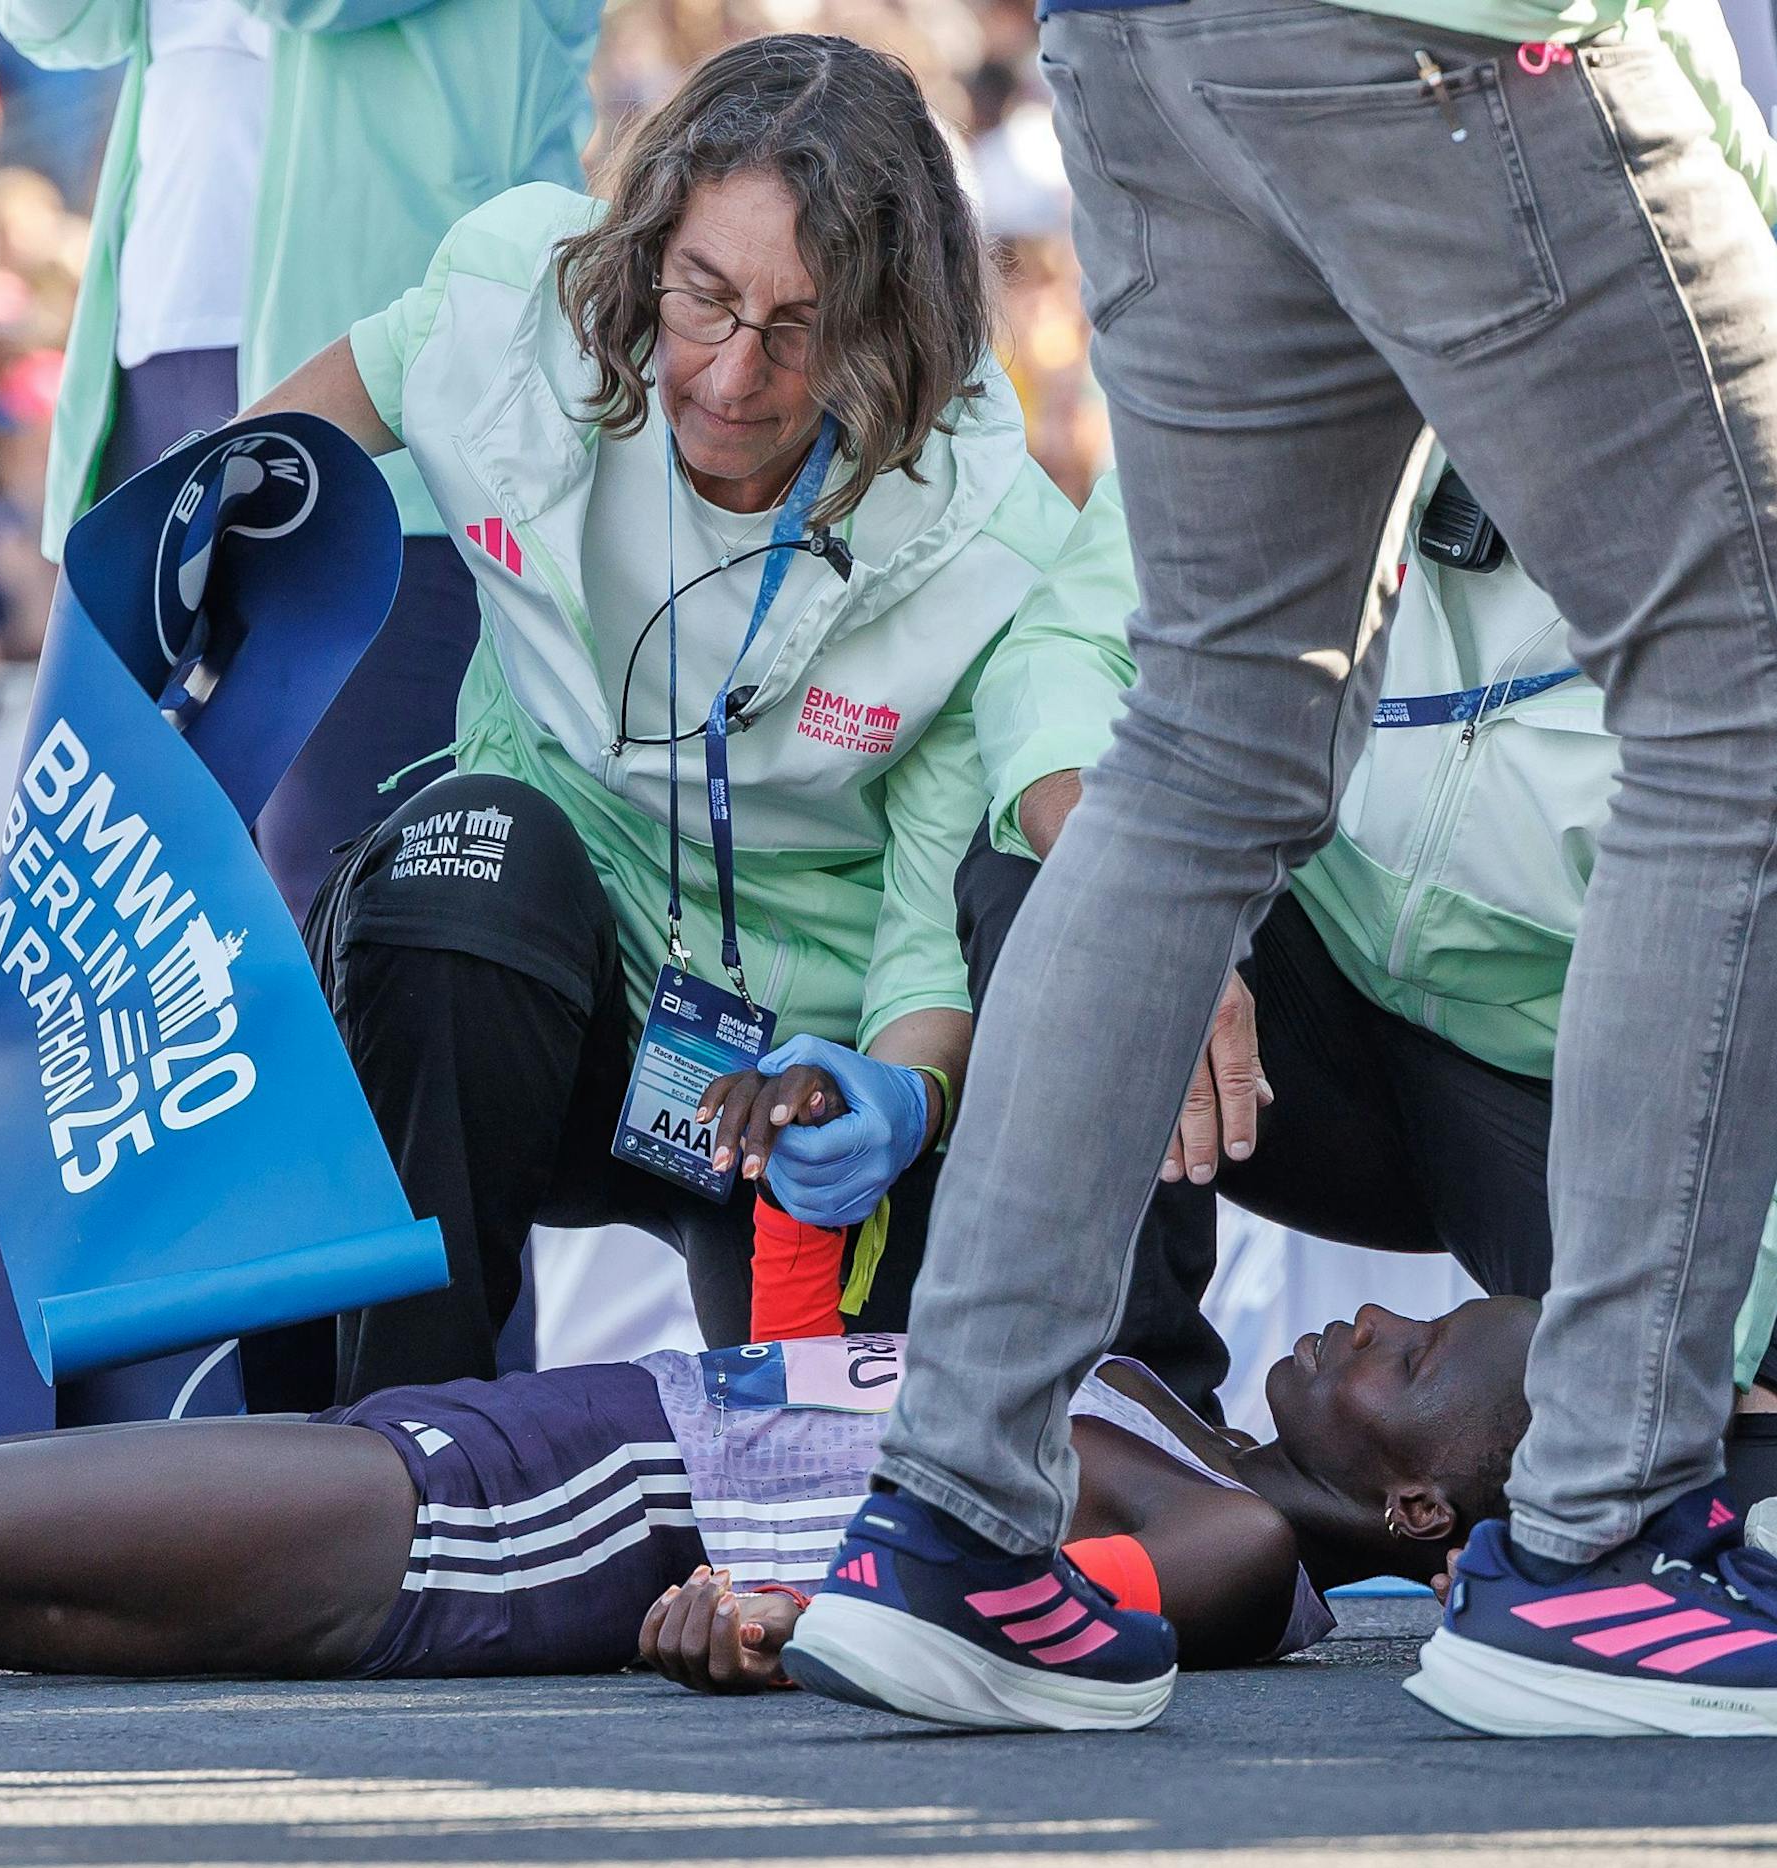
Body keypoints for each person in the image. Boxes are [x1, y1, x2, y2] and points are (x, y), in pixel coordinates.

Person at [785, 0, 1777, 1737]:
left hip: (1148, 42)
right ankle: (1601, 1544)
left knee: (1205, 734)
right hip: (1438, 38)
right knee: (1741, 681)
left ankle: (956, 1517)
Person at [241, 36, 1075, 1395]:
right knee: (467, 853)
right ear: (643, 253)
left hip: (788, 1087)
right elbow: (275, 453)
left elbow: (929, 951)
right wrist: (163, 589)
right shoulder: (522, 302)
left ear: (891, 328)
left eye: (801, 328)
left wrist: (892, 1097)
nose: (734, 378)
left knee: (823, 1466)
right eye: (704, 297)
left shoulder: (991, 540)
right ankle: (404, 1444)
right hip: (536, 996)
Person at [955, 464, 1777, 1416]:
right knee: (1056, 869)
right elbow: (1071, 652)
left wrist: (1718, 1355)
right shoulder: (1294, 391)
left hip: (1573, 1100)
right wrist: (1163, 929)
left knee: (1698, 1390)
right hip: (1273, 1000)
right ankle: (1130, 1425)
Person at [0, 1299, 1545, 1692]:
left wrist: (802, 1618)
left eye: (1412, 1362)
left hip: (575, 1508)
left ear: (1418, 1512)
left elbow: (1178, 1567)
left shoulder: (1237, 1539)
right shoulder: (1179, 1419)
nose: (1368, 1318)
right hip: (553, 1448)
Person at [0, 0, 603, 917]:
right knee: (144, 895)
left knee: (345, 884)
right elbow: (60, 23)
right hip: (159, 354)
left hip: (392, 393)